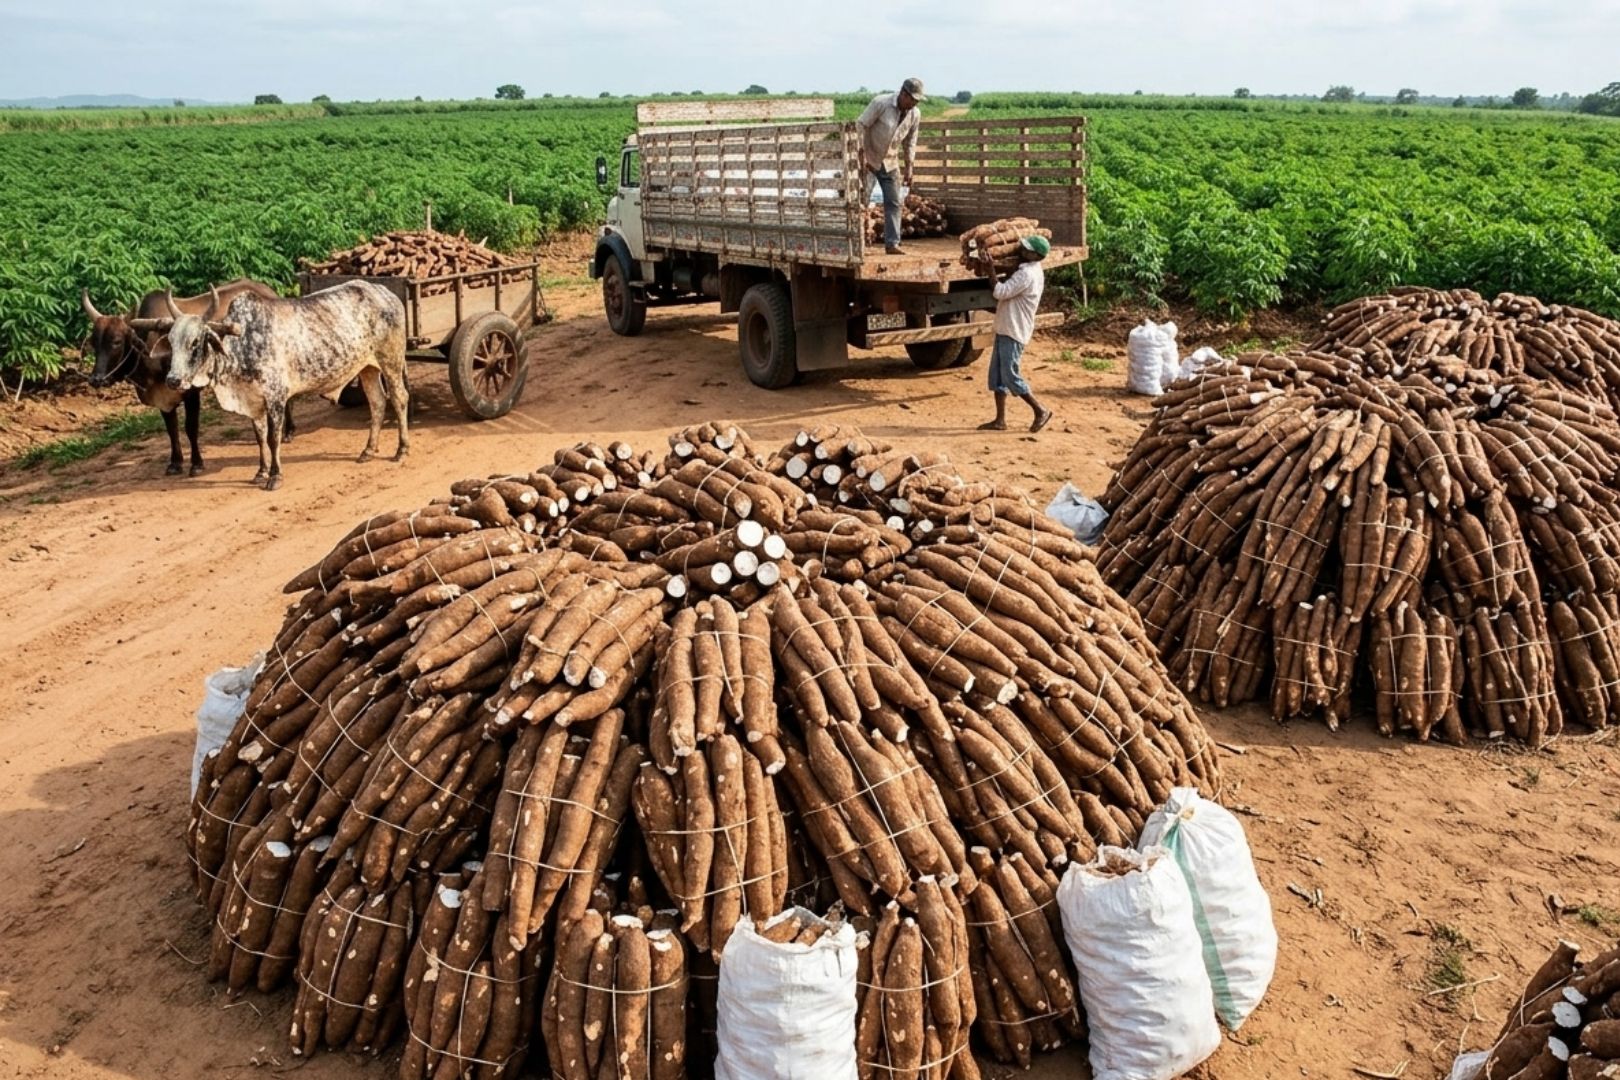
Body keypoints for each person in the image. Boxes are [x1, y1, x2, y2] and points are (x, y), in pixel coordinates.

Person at [981, 235, 1054, 433]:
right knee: (996, 376)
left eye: (1026, 250)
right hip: (1006, 327)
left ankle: (1040, 410)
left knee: (1009, 375)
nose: (1021, 251)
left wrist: (990, 268)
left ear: (1036, 256)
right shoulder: (1030, 270)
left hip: (1014, 330)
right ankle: (1000, 420)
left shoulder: (1026, 275)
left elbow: (1000, 292)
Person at [855, 78, 925, 255]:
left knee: (894, 202)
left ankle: (892, 243)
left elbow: (910, 142)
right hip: (870, 159)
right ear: (903, 94)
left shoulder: (915, 114)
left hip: (890, 161)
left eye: (917, 100)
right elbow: (861, 125)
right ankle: (858, 242)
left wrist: (909, 167)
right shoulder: (881, 103)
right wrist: (861, 154)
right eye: (913, 99)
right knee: (862, 201)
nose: (914, 103)